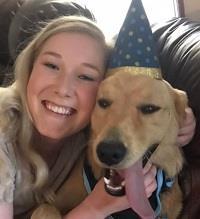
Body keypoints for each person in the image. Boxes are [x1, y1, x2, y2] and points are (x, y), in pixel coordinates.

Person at [0, 9, 196, 219]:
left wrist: (183, 119)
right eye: (51, 65)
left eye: (85, 76)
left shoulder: (79, 130)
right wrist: (95, 208)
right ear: (28, 68)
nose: (64, 89)